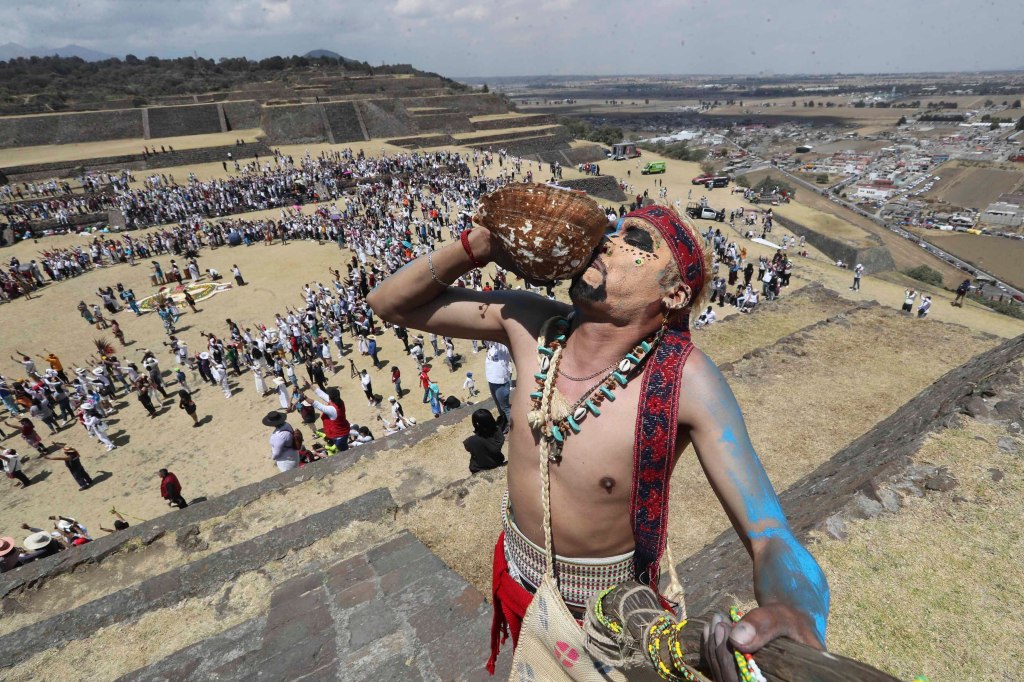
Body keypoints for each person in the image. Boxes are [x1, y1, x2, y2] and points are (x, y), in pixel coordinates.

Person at [367, 204, 828, 676]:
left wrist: (798, 611)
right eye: (613, 229)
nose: (607, 239)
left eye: (638, 241)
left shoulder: (687, 381)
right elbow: (390, 304)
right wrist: (477, 246)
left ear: (673, 294)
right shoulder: (530, 324)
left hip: (608, 622)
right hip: (516, 578)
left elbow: (769, 533)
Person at [300, 387, 350, 452]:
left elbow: (317, 405)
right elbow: (322, 394)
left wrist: (304, 397)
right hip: (344, 431)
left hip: (339, 436)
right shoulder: (339, 402)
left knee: (344, 452)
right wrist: (309, 385)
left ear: (330, 397)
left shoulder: (332, 409)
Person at [464, 408, 506, 474]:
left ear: (476, 424)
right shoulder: (498, 433)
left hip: (478, 468)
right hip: (496, 462)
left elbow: (467, 447)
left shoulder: (472, 440)